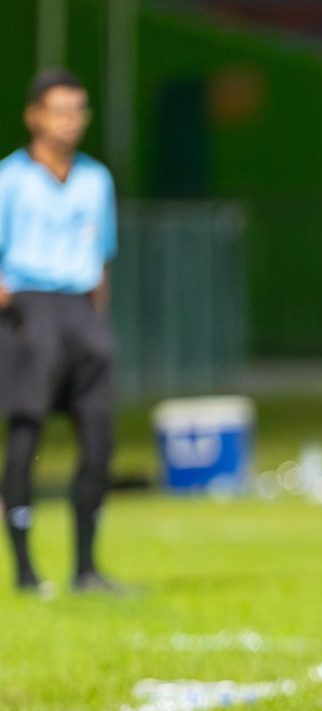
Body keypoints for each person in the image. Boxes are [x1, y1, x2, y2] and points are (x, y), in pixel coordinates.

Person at [0, 69, 120, 595]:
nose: (70, 121)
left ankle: (86, 569)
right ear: (34, 115)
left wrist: (98, 320)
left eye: (78, 110)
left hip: (80, 311)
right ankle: (25, 571)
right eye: (60, 110)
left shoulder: (96, 180)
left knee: (98, 441)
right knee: (26, 436)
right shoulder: (10, 178)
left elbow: (101, 261)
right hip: (30, 308)